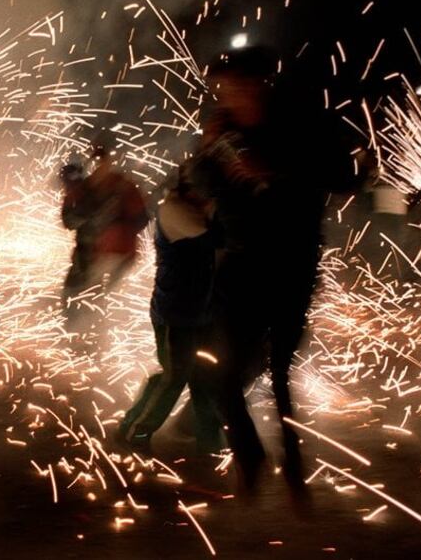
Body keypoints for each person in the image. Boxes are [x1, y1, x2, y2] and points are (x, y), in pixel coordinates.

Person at [198, 47, 356, 497]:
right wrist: (208, 156)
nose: (237, 94)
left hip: (291, 264)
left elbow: (345, 176)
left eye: (245, 84)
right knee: (221, 375)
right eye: (228, 87)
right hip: (241, 266)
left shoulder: (301, 124)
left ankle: (291, 461)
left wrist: (278, 171)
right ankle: (251, 455)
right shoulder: (220, 132)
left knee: (280, 372)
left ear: (263, 85)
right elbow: (204, 188)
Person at [117, 159, 222, 453]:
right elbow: (218, 237)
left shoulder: (193, 206)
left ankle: (209, 437)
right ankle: (135, 431)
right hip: (175, 312)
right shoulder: (175, 210)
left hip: (201, 310)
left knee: (202, 375)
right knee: (175, 376)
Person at [60, 144, 149, 349]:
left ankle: (92, 346)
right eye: (96, 161)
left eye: (103, 160)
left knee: (93, 297)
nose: (100, 165)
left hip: (112, 254)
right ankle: (75, 343)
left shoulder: (123, 187)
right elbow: (68, 221)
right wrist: (85, 212)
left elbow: (142, 219)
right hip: (85, 253)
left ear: (109, 161)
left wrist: (118, 231)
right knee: (73, 295)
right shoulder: (82, 188)